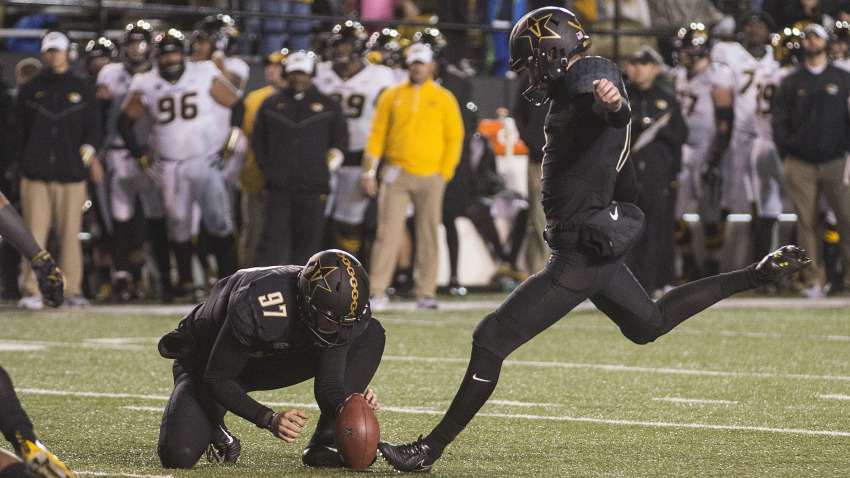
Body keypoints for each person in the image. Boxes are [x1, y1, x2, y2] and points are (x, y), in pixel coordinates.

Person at [377, 7, 812, 473]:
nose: (527, 73)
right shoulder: (570, 86)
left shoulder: (590, 76)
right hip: (593, 241)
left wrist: (613, 104)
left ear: (551, 53)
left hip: (579, 252)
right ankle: (756, 273)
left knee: (490, 339)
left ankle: (431, 449)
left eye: (529, 61)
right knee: (649, 324)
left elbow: (610, 110)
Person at [156, 249, 385, 469]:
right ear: (307, 304)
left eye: (344, 322)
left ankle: (326, 443)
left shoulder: (331, 312)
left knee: (370, 334)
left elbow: (329, 386)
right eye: (330, 322)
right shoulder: (260, 304)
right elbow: (218, 377)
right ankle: (213, 423)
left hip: (266, 357)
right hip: (210, 361)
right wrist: (268, 418)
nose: (338, 330)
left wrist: (347, 407)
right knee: (179, 455)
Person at [119, 29, 241, 302]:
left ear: (184, 54)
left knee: (219, 221)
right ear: (156, 57)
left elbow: (236, 103)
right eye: (165, 54)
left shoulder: (203, 72)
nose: (170, 59)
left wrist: (231, 142)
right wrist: (139, 153)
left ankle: (231, 282)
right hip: (169, 165)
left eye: (174, 52)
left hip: (205, 160)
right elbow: (124, 121)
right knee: (178, 224)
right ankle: (185, 283)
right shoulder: (146, 82)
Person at [361, 43, 465, 311]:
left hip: (431, 175)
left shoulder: (444, 98)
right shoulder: (391, 95)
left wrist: (445, 172)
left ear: (431, 65)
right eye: (413, 63)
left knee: (429, 234)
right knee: (387, 234)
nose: (416, 67)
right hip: (396, 173)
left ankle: (426, 291)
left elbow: (455, 137)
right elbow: (376, 136)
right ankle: (377, 291)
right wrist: (369, 171)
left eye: (421, 62)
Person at [16, 31, 103, 309]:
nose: (54, 55)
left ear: (67, 53)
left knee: (70, 236)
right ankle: (32, 290)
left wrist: (85, 156)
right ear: (44, 53)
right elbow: (17, 132)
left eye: (58, 50)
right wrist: (22, 162)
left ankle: (72, 289)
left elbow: (94, 130)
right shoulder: (30, 89)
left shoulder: (83, 88)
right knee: (33, 236)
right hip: (36, 175)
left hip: (72, 175)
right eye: (50, 51)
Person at [773, 23, 850, 297]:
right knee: (806, 224)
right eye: (808, 38)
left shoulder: (843, 78)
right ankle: (813, 280)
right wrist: (786, 155)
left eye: (816, 37)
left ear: (826, 42)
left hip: (836, 160)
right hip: (801, 162)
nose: (811, 42)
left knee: (847, 219)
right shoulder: (791, 81)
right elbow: (779, 122)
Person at [96, 20, 171, 302]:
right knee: (119, 218)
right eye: (132, 44)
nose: (136, 50)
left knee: (156, 217)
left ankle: (161, 276)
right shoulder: (110, 74)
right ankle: (122, 278)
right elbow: (101, 115)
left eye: (141, 44)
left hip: (152, 155)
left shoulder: (159, 73)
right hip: (117, 151)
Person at [252, 50, 348, 266]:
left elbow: (340, 143)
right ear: (287, 74)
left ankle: (304, 294)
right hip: (278, 186)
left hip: (313, 187)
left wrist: (323, 169)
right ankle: (262, 291)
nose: (298, 78)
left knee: (309, 246)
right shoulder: (270, 104)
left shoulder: (329, 106)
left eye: (303, 73)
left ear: (311, 74)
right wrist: (269, 169)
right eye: (294, 73)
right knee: (270, 241)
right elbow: (258, 142)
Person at [314, 21, 398, 260]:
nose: (340, 50)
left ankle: (348, 270)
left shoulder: (380, 76)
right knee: (318, 217)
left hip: (358, 157)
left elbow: (389, 120)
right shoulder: (320, 73)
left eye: (346, 44)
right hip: (324, 154)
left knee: (349, 221)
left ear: (359, 46)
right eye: (336, 44)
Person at [710, 11, 778, 270]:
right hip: (739, 136)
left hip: (771, 137)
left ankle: (770, 266)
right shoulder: (729, 52)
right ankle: (719, 265)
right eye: (749, 24)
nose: (754, 29)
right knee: (733, 199)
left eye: (760, 24)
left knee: (770, 203)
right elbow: (723, 103)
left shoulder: (778, 57)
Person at [625, 46, 688, 295]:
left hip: (658, 173)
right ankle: (633, 281)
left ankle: (663, 279)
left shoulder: (666, 98)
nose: (637, 69)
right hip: (628, 173)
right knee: (629, 228)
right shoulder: (620, 95)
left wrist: (657, 129)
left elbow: (681, 134)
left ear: (655, 68)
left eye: (643, 64)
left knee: (660, 226)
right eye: (634, 63)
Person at [672, 22, 733, 282]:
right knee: (674, 211)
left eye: (686, 48)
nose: (683, 53)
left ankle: (712, 265)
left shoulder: (717, 75)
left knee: (710, 212)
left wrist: (715, 157)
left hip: (707, 149)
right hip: (683, 149)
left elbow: (724, 122)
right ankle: (688, 262)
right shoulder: (679, 74)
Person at [239, 49, 288, 268]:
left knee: (286, 234)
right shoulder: (254, 98)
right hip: (256, 176)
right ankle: (246, 282)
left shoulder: (300, 100)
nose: (271, 69)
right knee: (254, 233)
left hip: (287, 181)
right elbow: (247, 136)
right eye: (269, 65)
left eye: (277, 65)